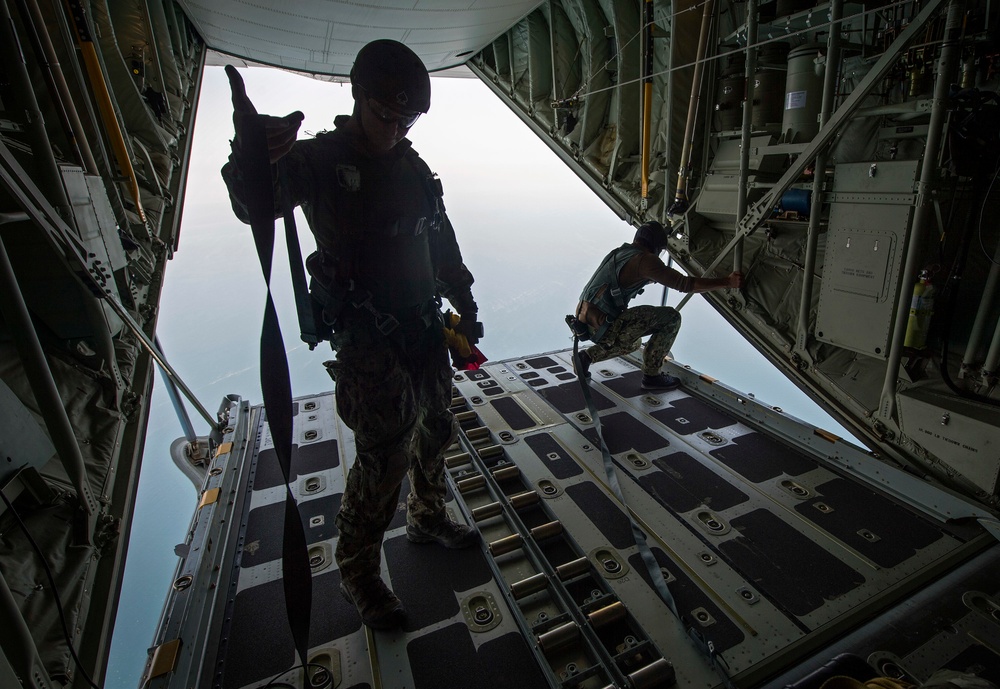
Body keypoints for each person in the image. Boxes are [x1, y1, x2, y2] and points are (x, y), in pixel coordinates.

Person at [221, 40, 483, 631]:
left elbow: (439, 239)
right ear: (359, 99)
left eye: (406, 118)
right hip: (370, 339)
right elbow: (254, 203)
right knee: (384, 454)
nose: (394, 128)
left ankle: (426, 515)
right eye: (385, 115)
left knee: (437, 427)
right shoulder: (320, 160)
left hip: (424, 327)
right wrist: (250, 149)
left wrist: (464, 301)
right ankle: (359, 572)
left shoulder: (415, 169)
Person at [573, 221, 743, 390]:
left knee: (633, 343)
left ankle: (586, 358)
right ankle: (652, 376)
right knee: (671, 318)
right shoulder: (645, 260)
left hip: (587, 324)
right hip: (603, 325)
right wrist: (727, 282)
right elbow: (684, 284)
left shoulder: (620, 253)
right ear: (656, 247)